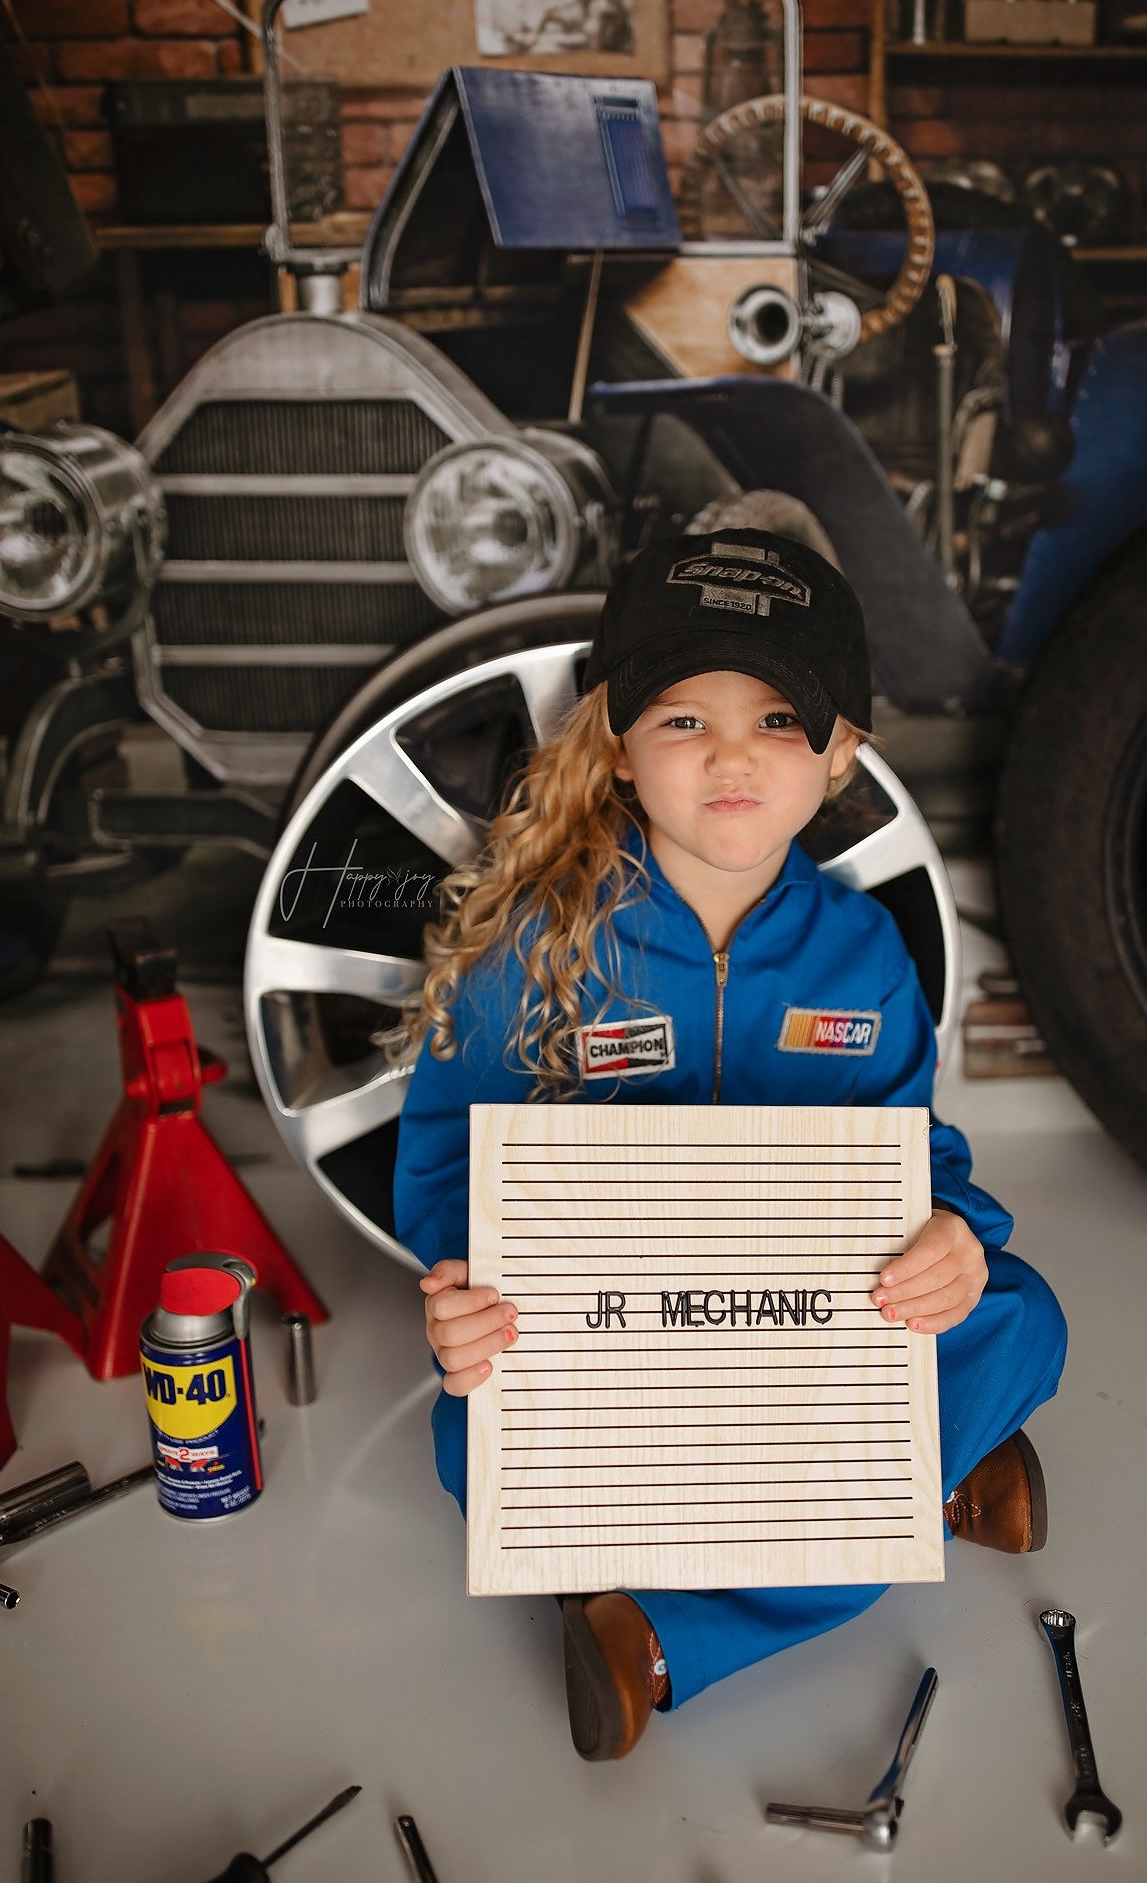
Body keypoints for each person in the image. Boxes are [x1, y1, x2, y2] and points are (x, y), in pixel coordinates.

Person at [394, 528, 1067, 1763]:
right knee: (469, 1446)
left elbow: (915, 1153)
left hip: (804, 1329)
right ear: (619, 742)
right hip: (614, 1341)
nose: (732, 755)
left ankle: (660, 1636)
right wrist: (465, 1290)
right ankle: (927, 1485)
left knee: (1022, 1316)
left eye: (778, 718)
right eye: (684, 720)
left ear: (843, 749)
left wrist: (955, 1240)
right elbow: (445, 1161)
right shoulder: (535, 945)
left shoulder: (864, 957)